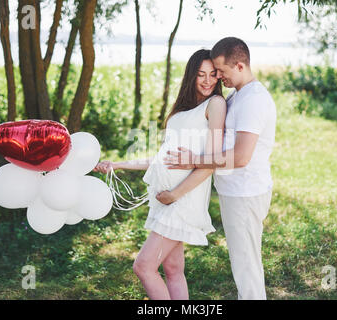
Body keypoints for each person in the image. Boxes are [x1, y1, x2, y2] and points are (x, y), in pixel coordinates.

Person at [94, 49, 227, 300]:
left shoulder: (215, 104)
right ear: (191, 76)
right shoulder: (183, 110)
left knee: (143, 267)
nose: (208, 80)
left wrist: (174, 195)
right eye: (201, 75)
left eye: (213, 75)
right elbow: (161, 159)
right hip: (166, 200)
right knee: (173, 269)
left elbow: (210, 163)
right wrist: (119, 164)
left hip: (182, 201)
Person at [163, 37, 277, 300]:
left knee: (246, 265)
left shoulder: (254, 101)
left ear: (239, 66)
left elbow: (241, 156)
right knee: (244, 262)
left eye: (222, 71)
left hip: (245, 193)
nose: (219, 78)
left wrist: (194, 160)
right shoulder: (239, 95)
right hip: (235, 192)